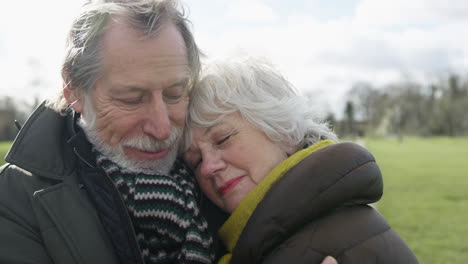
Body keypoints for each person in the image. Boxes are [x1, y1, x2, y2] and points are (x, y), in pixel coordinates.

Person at [0, 1, 338, 264]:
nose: (163, 129)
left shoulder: (219, 182)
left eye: (176, 94)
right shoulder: (13, 202)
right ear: (74, 90)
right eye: (131, 99)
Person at [183, 57, 420, 264]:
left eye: (223, 138)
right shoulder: (246, 239)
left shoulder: (340, 246)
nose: (207, 168)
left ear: (283, 131)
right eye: (195, 161)